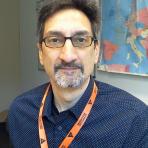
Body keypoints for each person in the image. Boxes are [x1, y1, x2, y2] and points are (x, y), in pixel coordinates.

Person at [8, 0, 148, 147]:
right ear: (41, 54)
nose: (68, 56)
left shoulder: (135, 121)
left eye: (81, 40)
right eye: (54, 40)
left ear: (95, 52)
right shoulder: (19, 112)